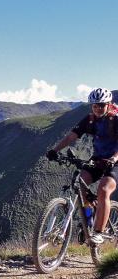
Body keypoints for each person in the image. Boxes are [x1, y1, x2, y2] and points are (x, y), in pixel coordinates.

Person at [46, 87, 118, 244]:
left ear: (108, 104)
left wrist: (113, 158)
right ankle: (89, 216)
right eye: (95, 105)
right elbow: (72, 136)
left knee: (104, 190)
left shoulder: (115, 119)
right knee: (80, 182)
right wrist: (55, 150)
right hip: (98, 159)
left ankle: (98, 232)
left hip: (115, 162)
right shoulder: (90, 119)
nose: (98, 108)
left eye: (101, 105)